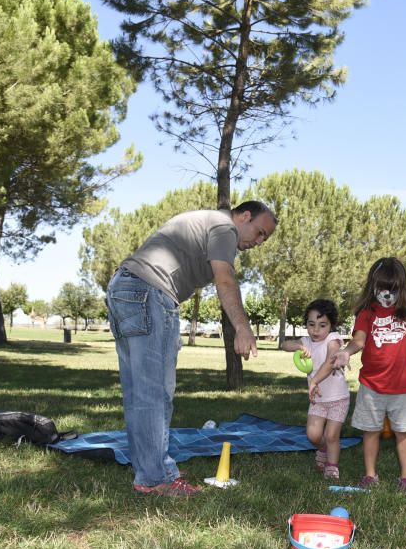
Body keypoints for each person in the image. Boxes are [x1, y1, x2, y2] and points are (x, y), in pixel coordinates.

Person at [106, 201, 278, 496]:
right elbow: (225, 279)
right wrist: (243, 327)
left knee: (140, 391)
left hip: (126, 288)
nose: (259, 242)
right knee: (154, 391)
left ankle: (152, 467)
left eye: (265, 239)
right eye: (260, 232)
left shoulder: (207, 223)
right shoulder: (224, 227)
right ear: (244, 216)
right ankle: (154, 478)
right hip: (148, 291)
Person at [326, 257, 406, 493]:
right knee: (371, 431)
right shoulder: (367, 313)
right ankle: (370, 475)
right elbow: (359, 340)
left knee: (404, 432)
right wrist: (346, 352)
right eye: (382, 288)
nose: (387, 294)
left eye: (394, 289)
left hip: (402, 387)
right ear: (372, 286)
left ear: (402, 288)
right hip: (372, 385)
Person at [279, 299, 349, 479]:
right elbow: (285, 345)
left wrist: (314, 381)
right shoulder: (306, 342)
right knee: (313, 435)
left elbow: (330, 361)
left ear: (331, 325)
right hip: (317, 399)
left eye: (322, 325)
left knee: (332, 435)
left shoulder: (333, 340)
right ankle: (323, 449)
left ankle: (332, 467)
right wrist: (299, 346)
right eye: (311, 324)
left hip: (338, 398)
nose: (316, 330)